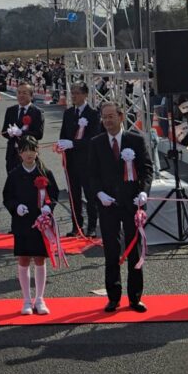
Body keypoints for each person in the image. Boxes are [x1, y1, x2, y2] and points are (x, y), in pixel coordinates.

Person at [88, 102, 153, 313]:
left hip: (132, 203)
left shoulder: (135, 139)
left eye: (110, 117)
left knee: (134, 250)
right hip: (108, 205)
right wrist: (99, 193)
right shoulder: (96, 143)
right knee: (111, 251)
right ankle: (113, 297)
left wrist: (144, 191)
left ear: (120, 116)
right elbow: (92, 175)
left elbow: (146, 169)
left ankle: (135, 297)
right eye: (104, 117)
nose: (107, 121)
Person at [2, 137, 59, 315]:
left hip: (41, 223)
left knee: (40, 259)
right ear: (20, 153)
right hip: (21, 222)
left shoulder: (44, 172)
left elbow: (54, 193)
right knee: (24, 259)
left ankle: (40, 299)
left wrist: (49, 207)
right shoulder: (14, 174)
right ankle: (26, 300)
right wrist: (15, 207)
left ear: (37, 151)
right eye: (25, 150)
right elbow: (7, 197)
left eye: (32, 149)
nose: (29, 153)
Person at [57, 82, 101, 237]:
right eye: (72, 93)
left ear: (85, 94)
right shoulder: (68, 113)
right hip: (71, 161)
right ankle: (77, 226)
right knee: (73, 195)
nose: (74, 96)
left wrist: (74, 144)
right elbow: (63, 134)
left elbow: (94, 138)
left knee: (90, 195)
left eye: (77, 93)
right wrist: (61, 144)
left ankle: (92, 227)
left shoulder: (93, 114)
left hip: (87, 161)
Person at [1, 83, 45, 173]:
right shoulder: (10, 110)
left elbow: (39, 134)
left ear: (31, 96)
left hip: (29, 154)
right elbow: (3, 131)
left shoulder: (37, 112)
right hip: (12, 154)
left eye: (24, 93)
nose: (21, 95)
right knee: (12, 181)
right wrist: (9, 133)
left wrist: (22, 133)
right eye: (19, 92)